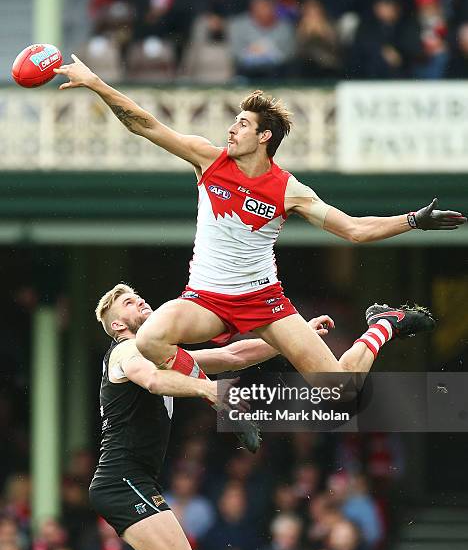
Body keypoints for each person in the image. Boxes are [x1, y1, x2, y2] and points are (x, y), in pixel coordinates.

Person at [54, 57, 466, 392]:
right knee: (148, 339)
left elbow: (354, 230)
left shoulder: (289, 190)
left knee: (342, 392)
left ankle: (383, 326)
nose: (232, 129)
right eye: (234, 121)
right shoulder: (208, 158)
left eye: (243, 124)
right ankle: (217, 398)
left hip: (263, 301)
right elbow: (144, 124)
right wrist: (96, 83)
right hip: (206, 298)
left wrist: (413, 220)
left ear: (264, 136)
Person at [89, 283, 332, 550]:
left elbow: (231, 355)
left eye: (139, 296)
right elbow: (152, 380)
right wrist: (208, 390)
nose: (141, 300)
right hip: (123, 482)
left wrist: (296, 338)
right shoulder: (125, 350)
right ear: (118, 325)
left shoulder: (158, 355)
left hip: (131, 482)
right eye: (130, 303)